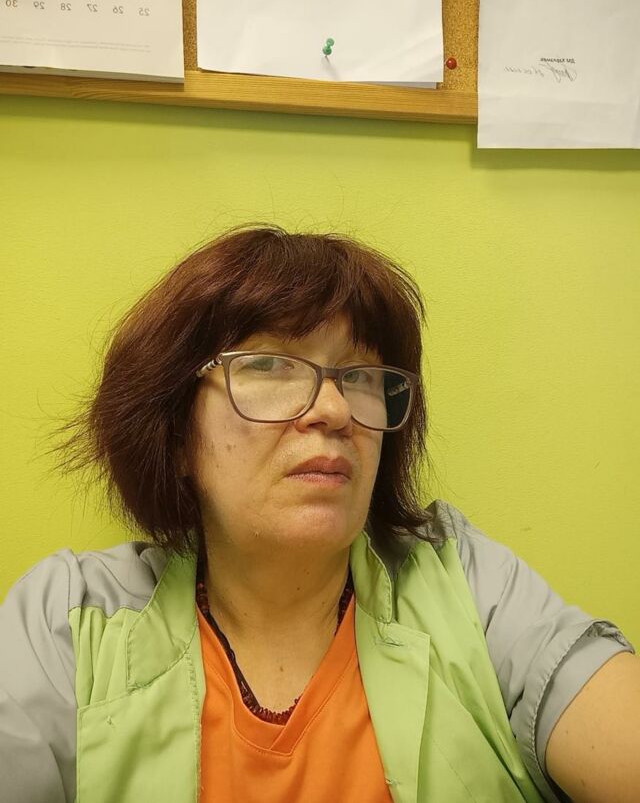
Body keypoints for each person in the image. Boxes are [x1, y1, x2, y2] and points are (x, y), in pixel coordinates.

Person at [0, 224, 637, 803]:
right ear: (176, 434)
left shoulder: (463, 586)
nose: (334, 410)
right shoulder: (70, 621)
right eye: (269, 364)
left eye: (360, 375)